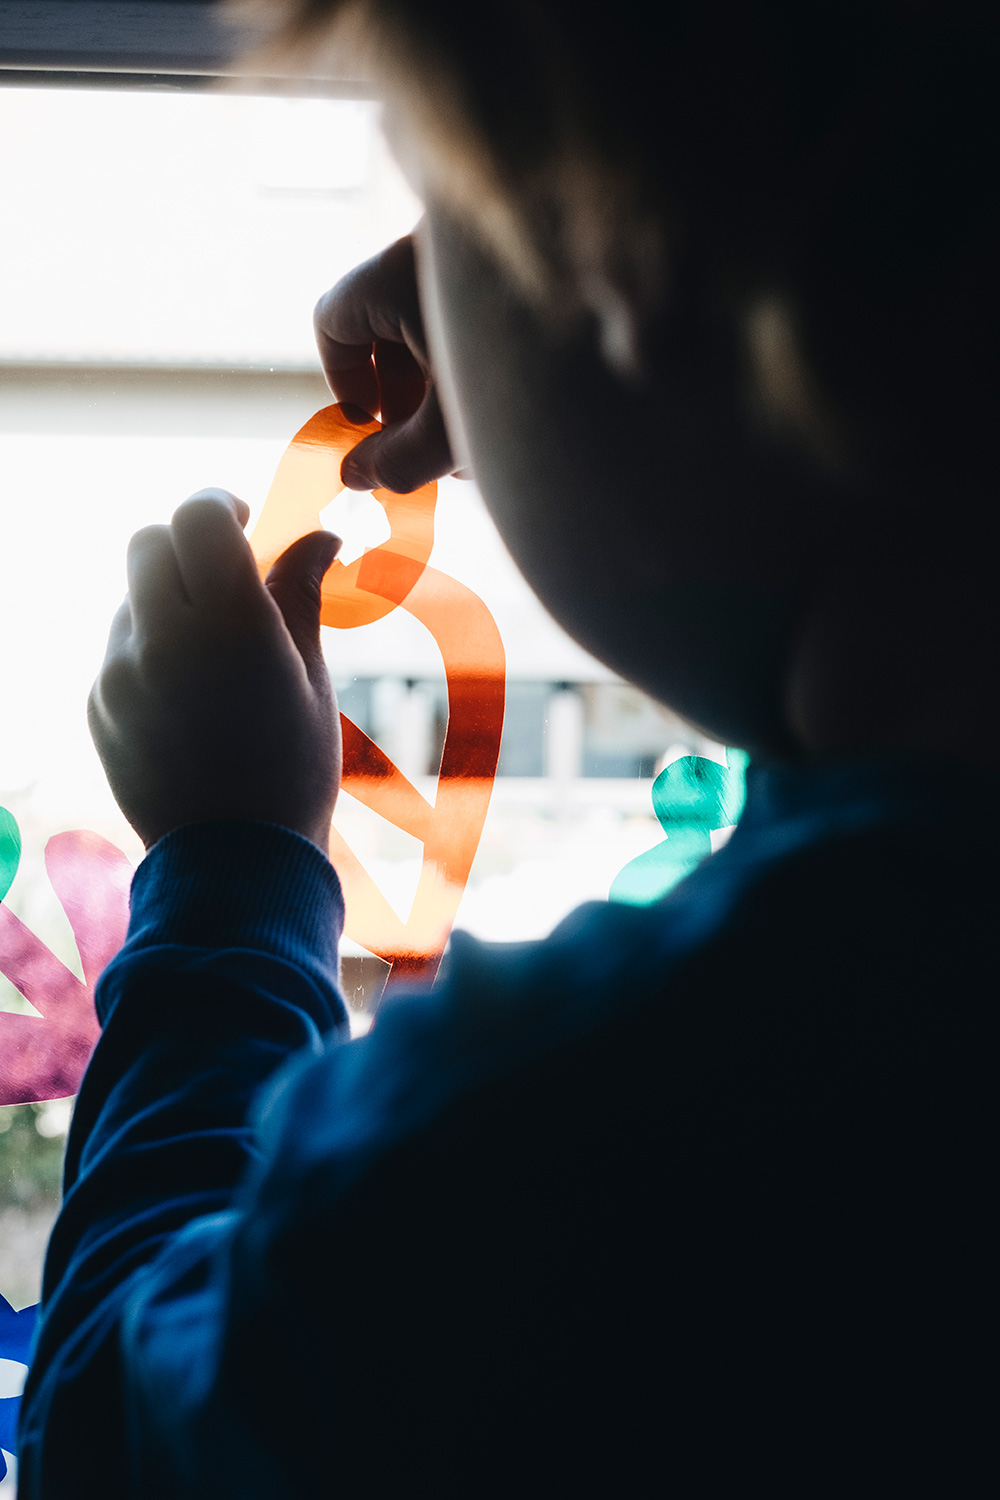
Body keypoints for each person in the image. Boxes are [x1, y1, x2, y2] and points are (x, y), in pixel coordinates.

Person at [17, 2, 996, 1494]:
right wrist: (516, 318)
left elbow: (118, 1434)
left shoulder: (572, 1125)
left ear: (615, 269)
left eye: (450, 203)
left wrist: (232, 870)